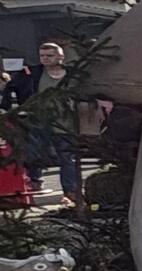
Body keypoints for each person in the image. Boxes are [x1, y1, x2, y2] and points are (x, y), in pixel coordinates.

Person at [7, 41, 90, 203]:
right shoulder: (33, 73)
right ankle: (34, 181)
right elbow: (12, 86)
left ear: (61, 56)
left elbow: (86, 91)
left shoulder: (72, 75)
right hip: (38, 121)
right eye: (42, 56)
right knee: (34, 152)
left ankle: (70, 192)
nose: (45, 59)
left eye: (49, 55)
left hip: (65, 123)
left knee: (66, 157)